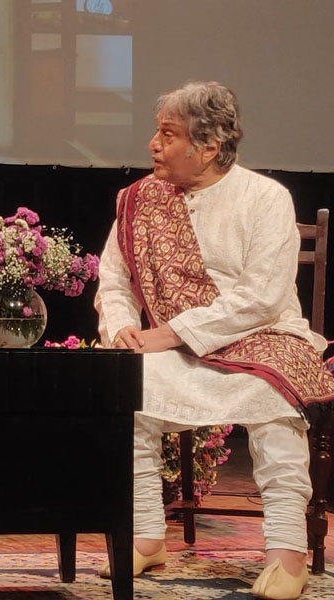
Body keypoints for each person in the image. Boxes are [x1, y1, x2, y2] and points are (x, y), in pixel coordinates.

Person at [94, 81, 334, 600]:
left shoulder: (266, 198)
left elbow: (261, 298)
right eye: (156, 133)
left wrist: (173, 332)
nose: (153, 145)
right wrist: (121, 329)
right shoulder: (137, 202)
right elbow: (112, 280)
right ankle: (145, 533)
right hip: (169, 346)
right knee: (124, 384)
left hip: (262, 337)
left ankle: (287, 551)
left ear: (208, 146)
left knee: (272, 393)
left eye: (167, 134)